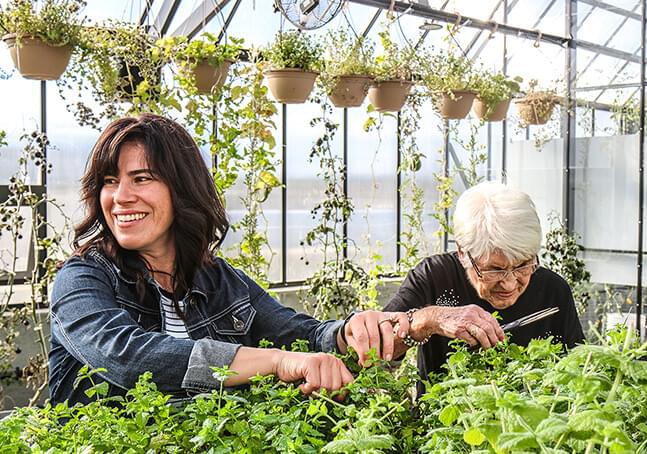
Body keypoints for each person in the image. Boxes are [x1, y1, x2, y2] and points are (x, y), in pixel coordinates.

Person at [48, 113, 409, 405]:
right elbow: (127, 357)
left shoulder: (217, 279)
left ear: (182, 189)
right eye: (110, 182)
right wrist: (278, 362)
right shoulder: (82, 279)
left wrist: (351, 332)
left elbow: (300, 332)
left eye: (141, 178)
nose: (120, 196)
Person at [383, 182, 585, 390]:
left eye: (523, 265)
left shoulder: (553, 291)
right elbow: (377, 350)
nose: (509, 282)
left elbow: (580, 368)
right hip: (446, 419)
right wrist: (430, 320)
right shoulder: (436, 277)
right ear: (463, 253)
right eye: (494, 269)